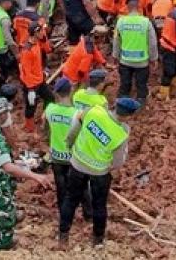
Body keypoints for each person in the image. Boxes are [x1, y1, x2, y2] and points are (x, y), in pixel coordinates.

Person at [0, 96, 54, 253]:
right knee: (7, 218)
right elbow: (8, 167)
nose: (9, 115)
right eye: (7, 112)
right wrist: (35, 176)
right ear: (1, 115)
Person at [59, 97, 139, 247]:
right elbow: (118, 161)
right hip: (100, 172)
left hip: (78, 164)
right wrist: (109, 168)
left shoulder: (94, 111)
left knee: (70, 200)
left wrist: (70, 145)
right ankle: (97, 240)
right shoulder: (122, 132)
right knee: (99, 206)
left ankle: (63, 236)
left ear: (114, 106)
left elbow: (75, 128)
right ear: (129, 116)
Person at [46, 77, 93, 220]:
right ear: (71, 91)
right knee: (83, 187)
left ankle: (65, 215)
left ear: (57, 93)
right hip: (74, 158)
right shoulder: (77, 113)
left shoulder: (50, 109)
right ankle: (88, 214)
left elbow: (47, 131)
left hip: (57, 157)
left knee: (61, 189)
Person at [112, 0, 157, 103]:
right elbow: (152, 43)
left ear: (127, 7)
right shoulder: (146, 22)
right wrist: (153, 58)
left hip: (125, 61)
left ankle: (122, 107)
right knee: (141, 85)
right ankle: (140, 105)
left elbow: (116, 41)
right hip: (142, 62)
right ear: (139, 7)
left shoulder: (121, 22)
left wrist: (115, 56)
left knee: (124, 85)